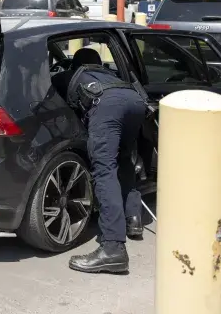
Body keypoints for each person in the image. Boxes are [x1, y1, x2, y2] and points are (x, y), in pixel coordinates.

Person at [52, 48, 147, 274]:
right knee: (123, 159)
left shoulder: (68, 76)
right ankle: (133, 219)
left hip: (106, 107)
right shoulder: (111, 75)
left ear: (75, 65)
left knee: (104, 170)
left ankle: (112, 248)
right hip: (135, 101)